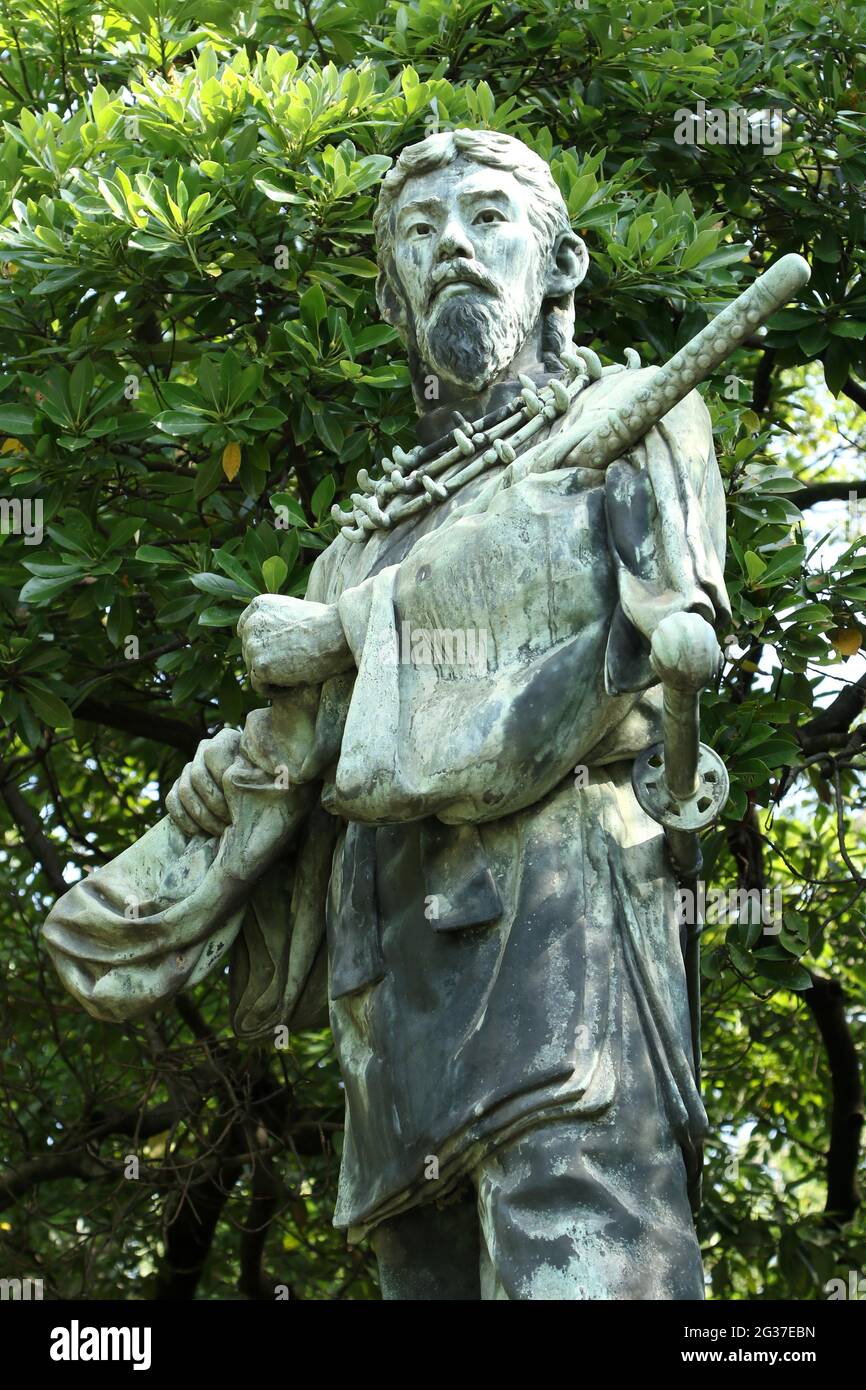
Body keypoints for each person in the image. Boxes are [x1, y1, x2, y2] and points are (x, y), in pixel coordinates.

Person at [43, 129, 730, 1300]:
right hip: (389, 992)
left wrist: (350, 634)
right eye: (419, 234)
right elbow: (304, 753)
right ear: (392, 292)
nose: (451, 246)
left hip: (553, 925)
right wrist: (230, 787)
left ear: (557, 263)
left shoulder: (634, 412)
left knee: (586, 1253)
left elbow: (649, 632)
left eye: (487, 220)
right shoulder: (362, 534)